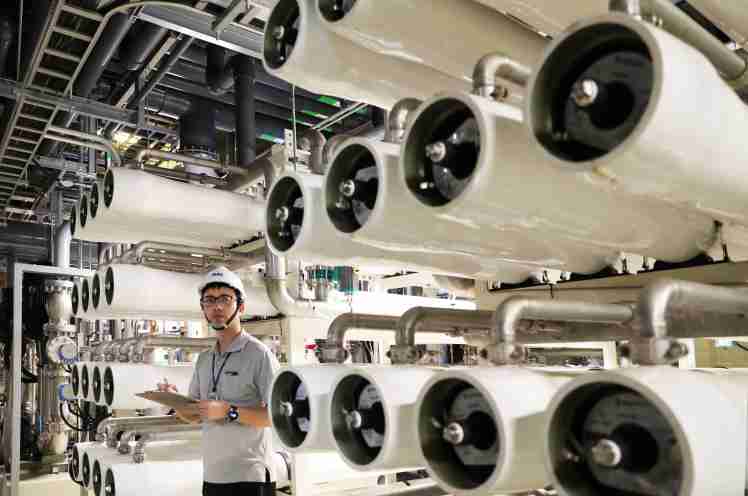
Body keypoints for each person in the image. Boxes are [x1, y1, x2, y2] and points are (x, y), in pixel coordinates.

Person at [166, 266, 280, 496]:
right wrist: (175, 402)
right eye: (209, 300)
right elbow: (194, 416)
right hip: (213, 476)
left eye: (225, 299)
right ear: (203, 309)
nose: (217, 307)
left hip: (251, 477)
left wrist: (230, 411)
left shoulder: (259, 354)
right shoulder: (204, 359)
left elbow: (276, 417)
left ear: (241, 307)